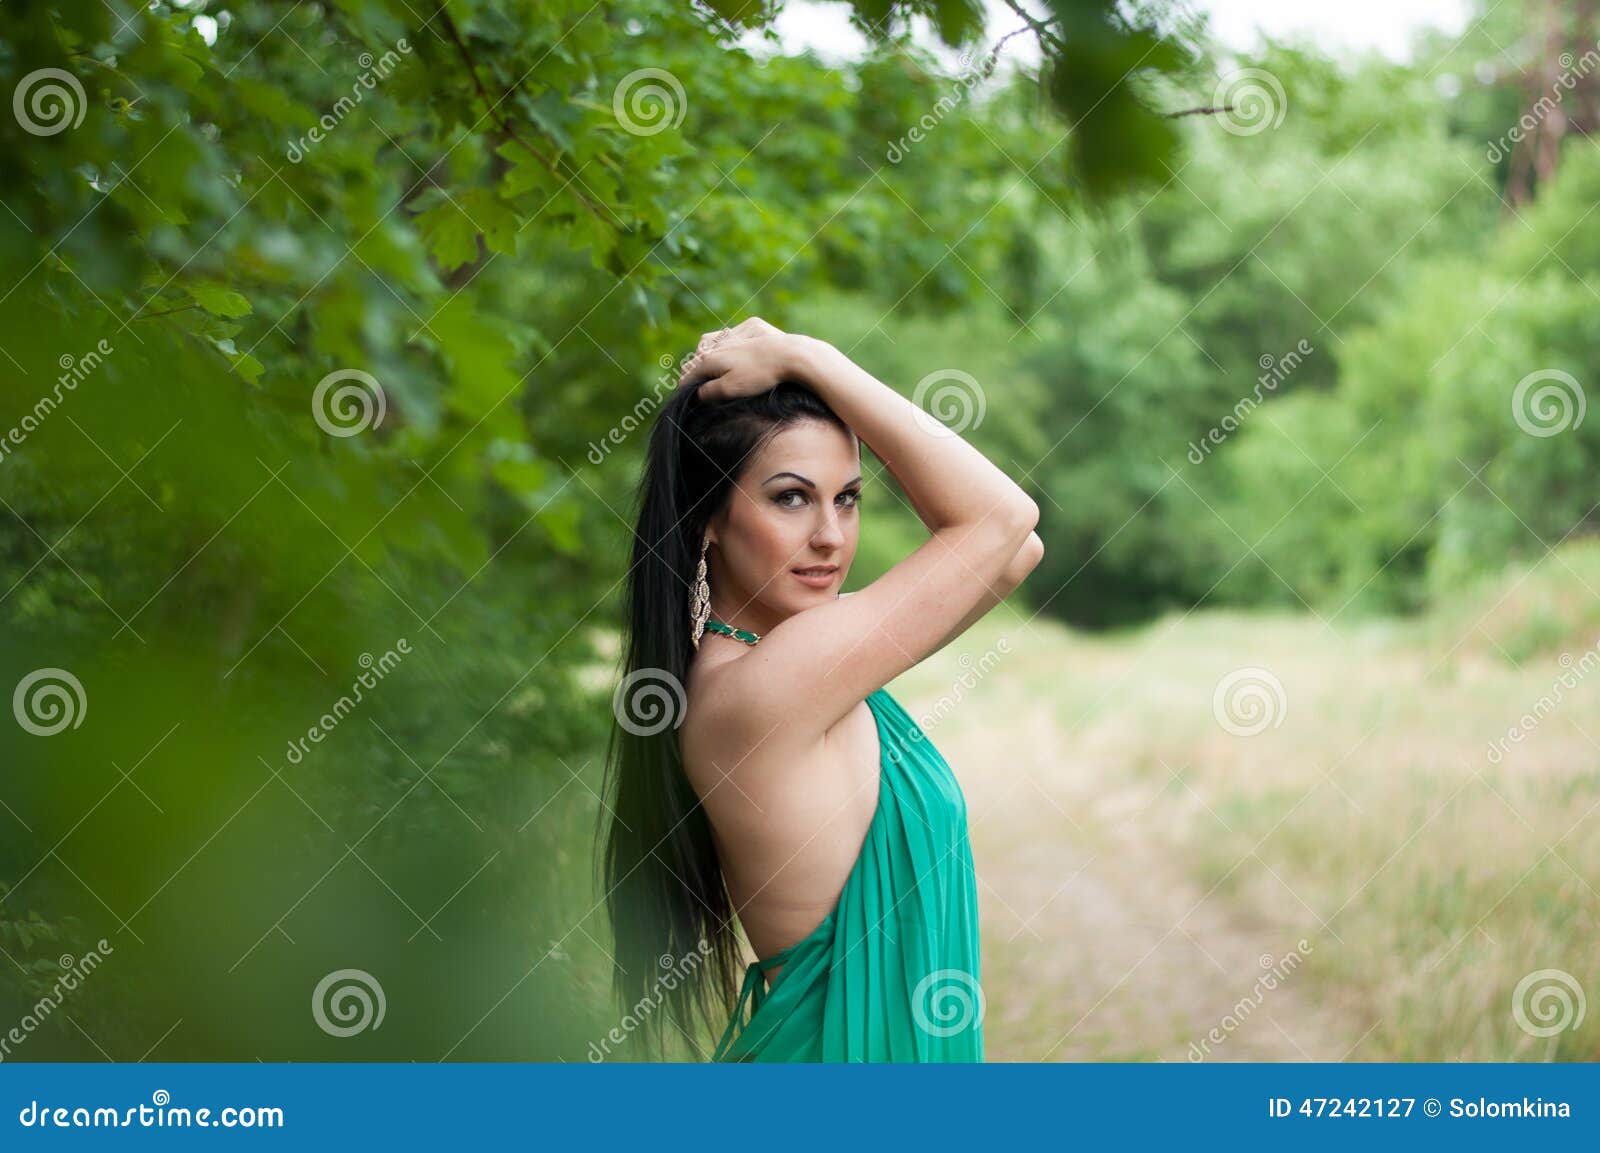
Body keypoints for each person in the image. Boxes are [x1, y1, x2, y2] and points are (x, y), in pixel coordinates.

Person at [600, 316, 1042, 1061]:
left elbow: (1013, 550)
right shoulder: (767, 686)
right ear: (708, 518)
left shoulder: (801, 658)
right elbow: (1001, 517)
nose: (832, 537)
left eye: (848, 497)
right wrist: (814, 357)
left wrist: (814, 372)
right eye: (791, 498)